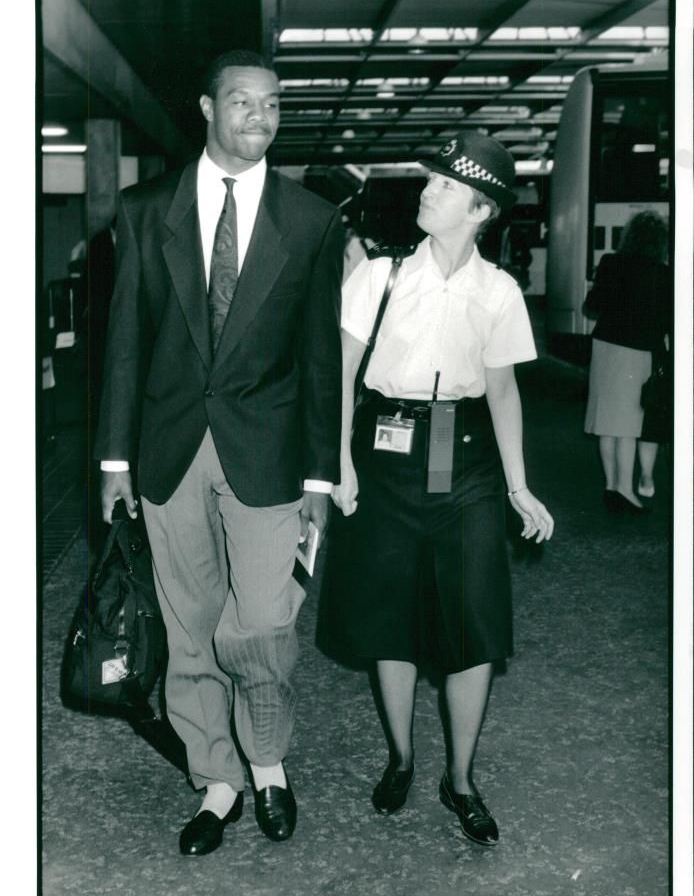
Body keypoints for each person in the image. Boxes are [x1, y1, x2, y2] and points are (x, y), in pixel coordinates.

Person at [95, 49, 343, 855]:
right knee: (190, 622)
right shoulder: (144, 209)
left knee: (264, 622)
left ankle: (267, 761)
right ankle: (218, 779)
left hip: (269, 454)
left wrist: (318, 475)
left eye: (272, 105)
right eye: (243, 103)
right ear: (207, 107)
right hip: (168, 448)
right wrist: (113, 462)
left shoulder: (309, 221)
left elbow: (319, 360)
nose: (260, 118)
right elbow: (124, 341)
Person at [320, 131, 554, 847]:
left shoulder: (499, 291)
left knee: (472, 626)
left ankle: (461, 779)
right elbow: (340, 375)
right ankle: (401, 757)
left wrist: (519, 487)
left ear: (480, 210)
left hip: (470, 462)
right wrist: (341, 463)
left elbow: (506, 392)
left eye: (447, 186)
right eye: (432, 180)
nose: (429, 191)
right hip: (385, 458)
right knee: (390, 617)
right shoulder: (380, 277)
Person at [583, 209, 670, 512]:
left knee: (607, 423)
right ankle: (626, 490)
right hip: (638, 352)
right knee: (629, 426)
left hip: (606, 346)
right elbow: (666, 321)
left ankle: (611, 486)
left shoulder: (610, 263)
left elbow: (591, 306)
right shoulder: (663, 273)